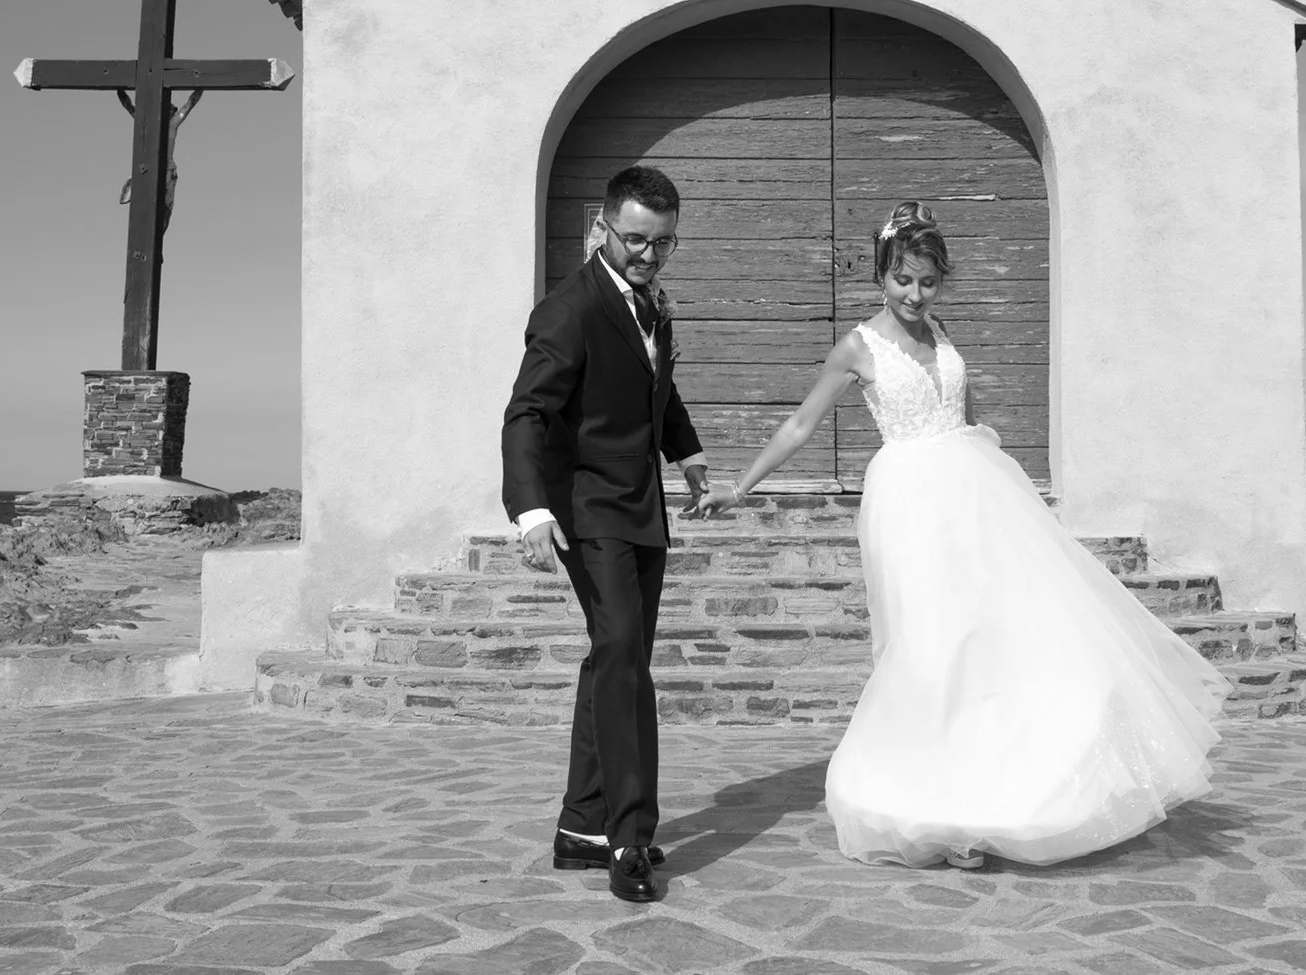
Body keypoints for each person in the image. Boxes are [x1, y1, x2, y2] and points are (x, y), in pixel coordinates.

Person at [692, 201, 1229, 868]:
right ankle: (939, 813)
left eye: (927, 281)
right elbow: (801, 425)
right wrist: (739, 487)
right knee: (932, 648)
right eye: (902, 280)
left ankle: (996, 798)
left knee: (997, 640)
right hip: (910, 508)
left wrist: (1009, 498)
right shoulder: (858, 347)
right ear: (882, 275)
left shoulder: (942, 333)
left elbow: (969, 420)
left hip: (975, 498)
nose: (914, 295)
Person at [501, 165, 709, 904]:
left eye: (663, 243)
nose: (649, 255)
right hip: (588, 510)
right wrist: (530, 507)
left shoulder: (650, 304)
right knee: (624, 659)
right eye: (636, 240)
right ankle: (630, 834)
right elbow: (526, 410)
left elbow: (657, 386)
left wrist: (686, 452)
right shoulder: (569, 308)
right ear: (601, 227)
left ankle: (580, 825)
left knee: (613, 656)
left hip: (641, 505)